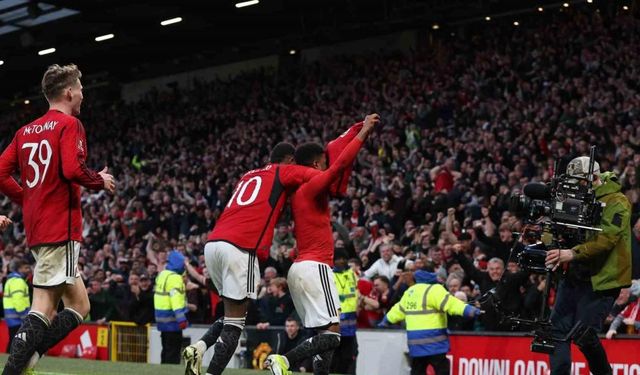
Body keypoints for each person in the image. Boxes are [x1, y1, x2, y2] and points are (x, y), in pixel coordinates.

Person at [182, 141, 352, 375]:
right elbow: (321, 174)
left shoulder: (248, 175)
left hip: (213, 243)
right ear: (290, 161)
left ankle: (199, 347)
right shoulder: (284, 170)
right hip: (240, 246)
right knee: (235, 324)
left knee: (233, 313)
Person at [0, 64, 116, 375]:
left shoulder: (25, 131)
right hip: (59, 226)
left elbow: (0, 172)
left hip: (39, 225)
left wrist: (27, 197)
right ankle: (13, 370)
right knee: (43, 308)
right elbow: (72, 170)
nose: (82, 94)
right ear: (68, 92)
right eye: (80, 88)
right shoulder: (70, 124)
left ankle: (29, 359)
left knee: (80, 306)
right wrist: (99, 180)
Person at [265, 113, 379, 375]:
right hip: (315, 267)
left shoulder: (297, 193)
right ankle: (284, 360)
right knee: (333, 336)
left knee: (323, 337)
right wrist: (363, 134)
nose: (328, 166)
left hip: (300, 268)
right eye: (324, 162)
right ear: (317, 164)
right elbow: (339, 166)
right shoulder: (310, 186)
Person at [545, 157, 632, 375]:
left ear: (592, 178)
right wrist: (548, 239)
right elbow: (556, 227)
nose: (574, 187)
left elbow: (607, 239)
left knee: (584, 336)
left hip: (602, 279)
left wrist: (572, 253)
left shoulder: (617, 202)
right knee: (556, 331)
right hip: (573, 275)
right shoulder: (574, 197)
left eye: (578, 182)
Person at [378, 268, 482, 375]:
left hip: (416, 345)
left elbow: (398, 310)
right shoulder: (434, 290)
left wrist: (386, 320)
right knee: (442, 371)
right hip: (435, 344)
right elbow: (452, 304)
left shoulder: (410, 292)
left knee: (417, 371)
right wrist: (469, 310)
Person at [154, 250, 189, 364]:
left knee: (165, 350)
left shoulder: (163, 274)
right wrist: (182, 319)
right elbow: (176, 300)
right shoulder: (175, 278)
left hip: (161, 319)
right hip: (172, 321)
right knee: (173, 353)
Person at [331, 249, 358, 374]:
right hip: (335, 318)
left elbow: (356, 292)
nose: (341, 261)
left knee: (349, 353)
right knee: (334, 352)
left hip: (350, 321)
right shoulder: (329, 274)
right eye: (338, 258)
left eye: (343, 258)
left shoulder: (352, 273)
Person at [3, 260, 31, 352]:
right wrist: (24, 316)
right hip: (18, 317)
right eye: (25, 267)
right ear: (19, 269)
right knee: (16, 341)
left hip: (12, 317)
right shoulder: (18, 281)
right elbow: (18, 300)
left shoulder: (11, 280)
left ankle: (8, 359)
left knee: (13, 340)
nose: (28, 270)